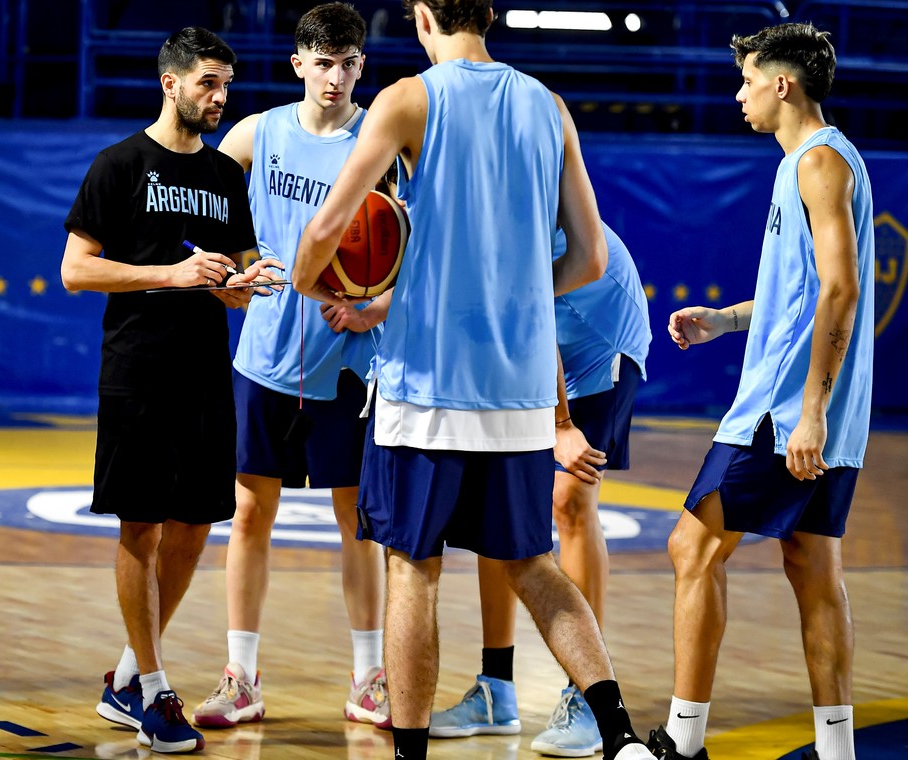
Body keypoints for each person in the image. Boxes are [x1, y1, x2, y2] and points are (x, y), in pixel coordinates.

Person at [293, 1, 659, 759]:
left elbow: (331, 225)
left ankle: (411, 754)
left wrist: (310, 280)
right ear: (489, 13)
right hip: (523, 391)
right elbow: (589, 257)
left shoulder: (408, 99)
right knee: (533, 563)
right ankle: (619, 733)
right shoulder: (548, 106)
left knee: (413, 569)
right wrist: (517, 294)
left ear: (422, 15)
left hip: (427, 392)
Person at [649, 23, 873, 760]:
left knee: (692, 549)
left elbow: (840, 292)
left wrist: (809, 410)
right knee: (812, 566)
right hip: (820, 413)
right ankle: (836, 750)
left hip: (785, 413)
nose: (738, 92)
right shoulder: (812, 164)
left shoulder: (817, 164)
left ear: (783, 84)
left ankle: (683, 745)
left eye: (748, 79)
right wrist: (726, 319)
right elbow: (802, 292)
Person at [60, 26, 282, 756]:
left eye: (227, 85)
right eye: (208, 84)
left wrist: (245, 285)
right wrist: (170, 275)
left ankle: (128, 674)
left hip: (205, 374)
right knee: (141, 528)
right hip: (137, 371)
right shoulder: (119, 164)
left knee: (193, 527)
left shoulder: (224, 176)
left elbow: (241, 281)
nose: (220, 98)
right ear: (171, 82)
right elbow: (76, 271)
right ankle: (155, 688)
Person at [189, 2, 391, 731]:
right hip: (266, 355)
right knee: (249, 514)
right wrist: (217, 275)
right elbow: (189, 197)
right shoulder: (259, 132)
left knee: (356, 520)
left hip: (347, 360)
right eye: (322, 62)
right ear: (297, 63)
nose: (334, 77)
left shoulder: (382, 136)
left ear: (360, 66)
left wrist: (379, 304)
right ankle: (240, 676)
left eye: (347, 64)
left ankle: (370, 678)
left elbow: (424, 242)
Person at [430, 221, 651, 757]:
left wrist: (559, 424)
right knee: (495, 502)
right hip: (529, 339)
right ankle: (495, 689)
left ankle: (589, 700)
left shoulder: (517, 194)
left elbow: (531, 314)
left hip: (598, 340)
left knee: (569, 500)